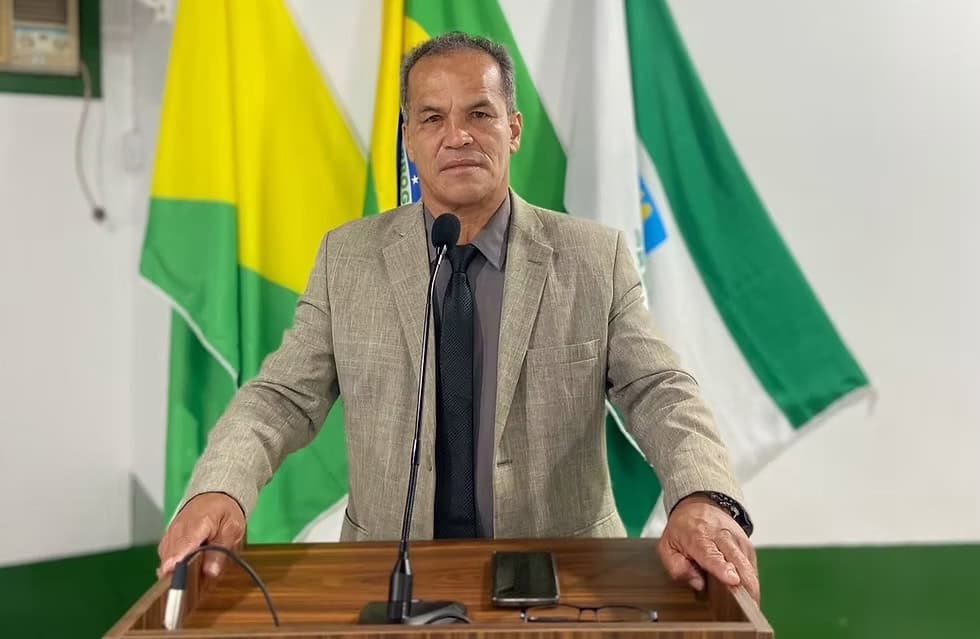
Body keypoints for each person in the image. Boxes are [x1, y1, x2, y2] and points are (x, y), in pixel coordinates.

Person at [156, 31, 760, 602]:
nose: (458, 136)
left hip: (564, 579)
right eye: (432, 118)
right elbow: (281, 398)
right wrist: (220, 489)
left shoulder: (593, 257)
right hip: (389, 581)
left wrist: (702, 496)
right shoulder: (347, 258)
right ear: (408, 137)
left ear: (513, 128)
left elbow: (659, 390)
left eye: (479, 113)